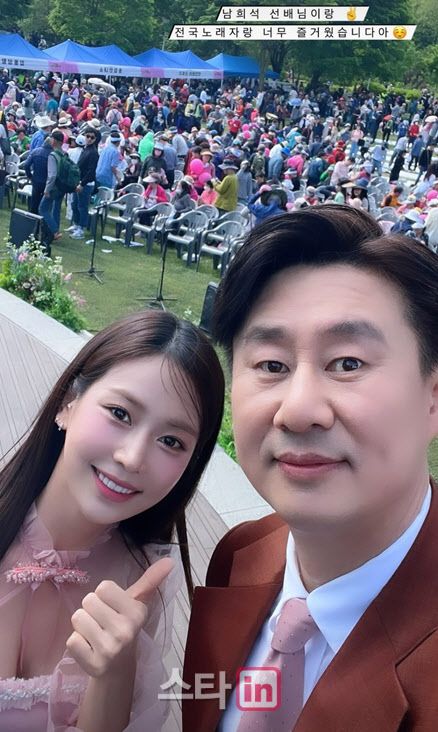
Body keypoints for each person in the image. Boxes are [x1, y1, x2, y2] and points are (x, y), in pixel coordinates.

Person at [183, 205, 438, 731]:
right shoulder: (239, 556)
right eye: (271, 365)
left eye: (347, 363)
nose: (297, 410)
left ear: (432, 397)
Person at [0, 309, 224, 731]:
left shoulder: (142, 583)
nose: (132, 458)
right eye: (120, 414)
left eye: (171, 441)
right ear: (68, 403)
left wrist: (115, 674)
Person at [70, 127, 99, 240]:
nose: (89, 139)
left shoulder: (93, 153)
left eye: (92, 137)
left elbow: (91, 172)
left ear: (95, 139)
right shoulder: (85, 149)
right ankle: (76, 224)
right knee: (75, 204)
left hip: (86, 183)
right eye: (88, 136)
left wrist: (82, 184)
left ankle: (81, 229)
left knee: (82, 206)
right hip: (79, 181)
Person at [38, 130, 66, 244]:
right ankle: (55, 230)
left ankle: (54, 231)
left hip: (53, 187)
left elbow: (52, 174)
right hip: (62, 186)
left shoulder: (53, 155)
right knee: (56, 209)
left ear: (54, 140)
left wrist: (47, 189)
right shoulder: (64, 154)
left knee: (43, 208)